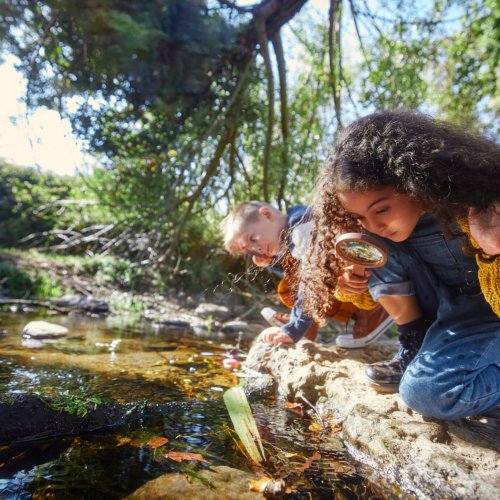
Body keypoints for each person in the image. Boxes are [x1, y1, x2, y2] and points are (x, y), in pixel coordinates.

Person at [301, 109, 499, 419]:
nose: (373, 224)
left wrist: (494, 250)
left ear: (412, 180)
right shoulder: (384, 232)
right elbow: (377, 293)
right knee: (370, 244)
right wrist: (352, 282)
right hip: (455, 317)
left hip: (493, 315)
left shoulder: (482, 206)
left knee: (430, 395)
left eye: (380, 209)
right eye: (360, 216)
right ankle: (414, 345)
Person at [220, 201, 393, 346]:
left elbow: (311, 282)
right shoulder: (290, 231)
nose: (255, 249)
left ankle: (377, 313)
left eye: (253, 239)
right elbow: (297, 271)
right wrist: (272, 262)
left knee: (308, 284)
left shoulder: (302, 228)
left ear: (266, 214)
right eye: (248, 249)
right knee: (290, 287)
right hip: (353, 281)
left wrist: (295, 328)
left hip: (374, 275)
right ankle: (307, 327)